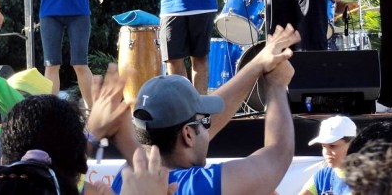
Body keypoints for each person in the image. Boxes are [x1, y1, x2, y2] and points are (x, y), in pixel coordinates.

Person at [110, 24, 301, 195]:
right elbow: (278, 155)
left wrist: (259, 64)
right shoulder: (199, 186)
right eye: (204, 121)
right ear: (188, 135)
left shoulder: (128, 178)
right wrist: (276, 84)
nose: (209, 125)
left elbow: (192, 126)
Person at [298, 116, 357, 195]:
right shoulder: (322, 175)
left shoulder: (369, 179)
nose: (326, 152)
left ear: (352, 144)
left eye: (333, 146)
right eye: (324, 146)